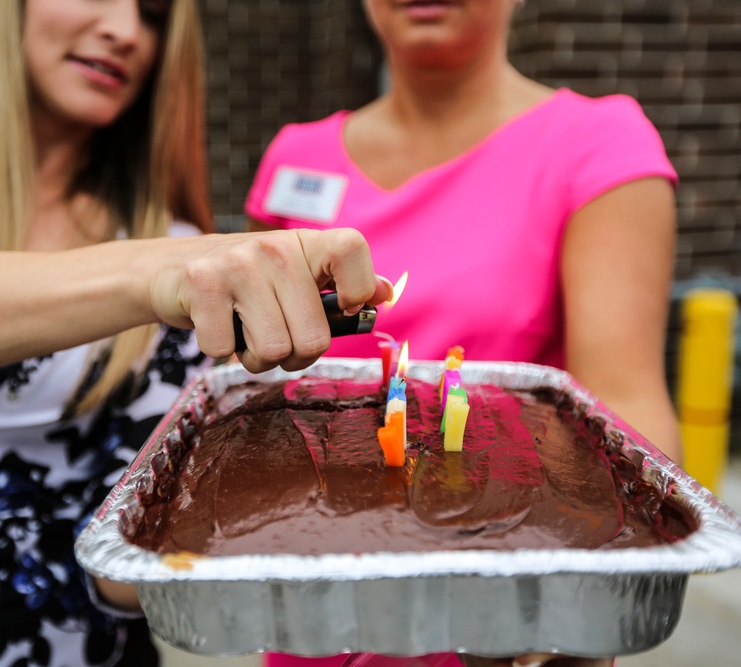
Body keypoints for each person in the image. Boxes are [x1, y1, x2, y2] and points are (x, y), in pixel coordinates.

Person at [0, 1, 391, 666]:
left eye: (154, 14)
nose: (124, 30)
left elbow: (111, 558)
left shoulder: (178, 258)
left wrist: (273, 504)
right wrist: (153, 274)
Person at [245, 0, 681, 666]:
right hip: (318, 601)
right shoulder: (294, 155)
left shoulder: (596, 141)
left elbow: (625, 400)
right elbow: (263, 382)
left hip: (500, 608)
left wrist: (594, 589)